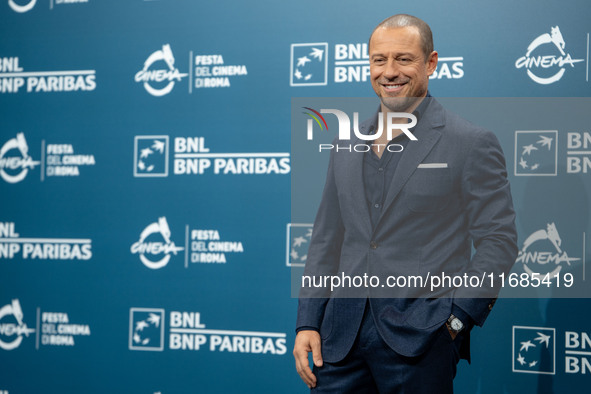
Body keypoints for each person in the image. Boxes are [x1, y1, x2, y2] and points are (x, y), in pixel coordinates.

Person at [293, 14, 518, 393]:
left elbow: (499, 241)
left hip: (420, 339)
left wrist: (456, 320)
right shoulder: (345, 142)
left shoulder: (470, 142)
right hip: (338, 341)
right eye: (379, 59)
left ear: (430, 63)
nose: (389, 71)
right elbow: (326, 239)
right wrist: (308, 321)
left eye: (403, 59)